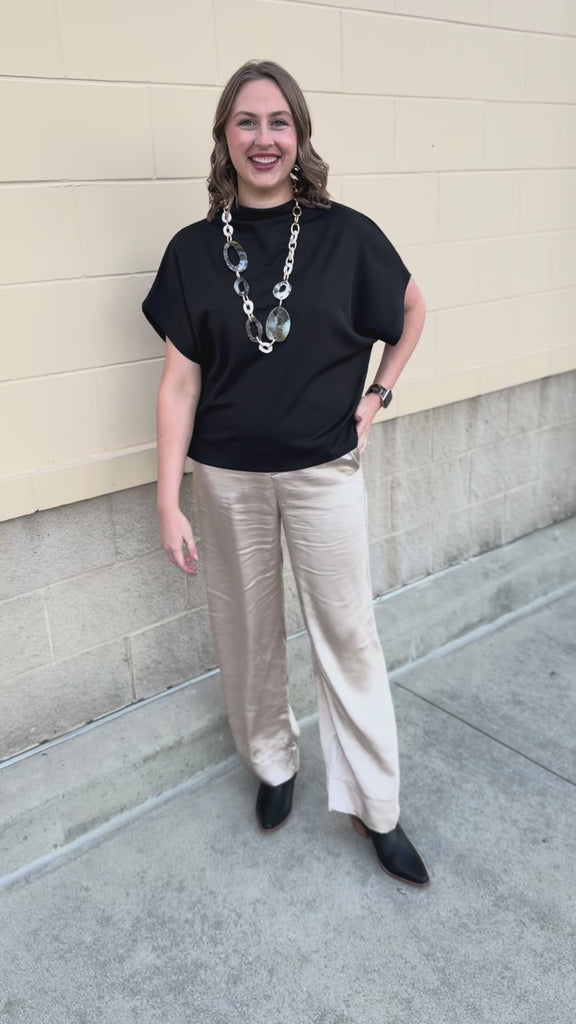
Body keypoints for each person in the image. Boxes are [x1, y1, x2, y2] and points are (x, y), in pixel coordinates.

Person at [142, 60, 429, 887]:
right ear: (224, 138)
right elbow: (180, 384)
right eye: (246, 121)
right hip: (225, 476)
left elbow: (412, 310)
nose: (263, 138)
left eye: (278, 121)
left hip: (322, 471)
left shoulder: (346, 234)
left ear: (299, 134)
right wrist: (168, 500)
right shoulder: (193, 252)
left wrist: (378, 393)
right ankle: (272, 762)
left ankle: (377, 805)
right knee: (245, 630)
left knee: (348, 635)